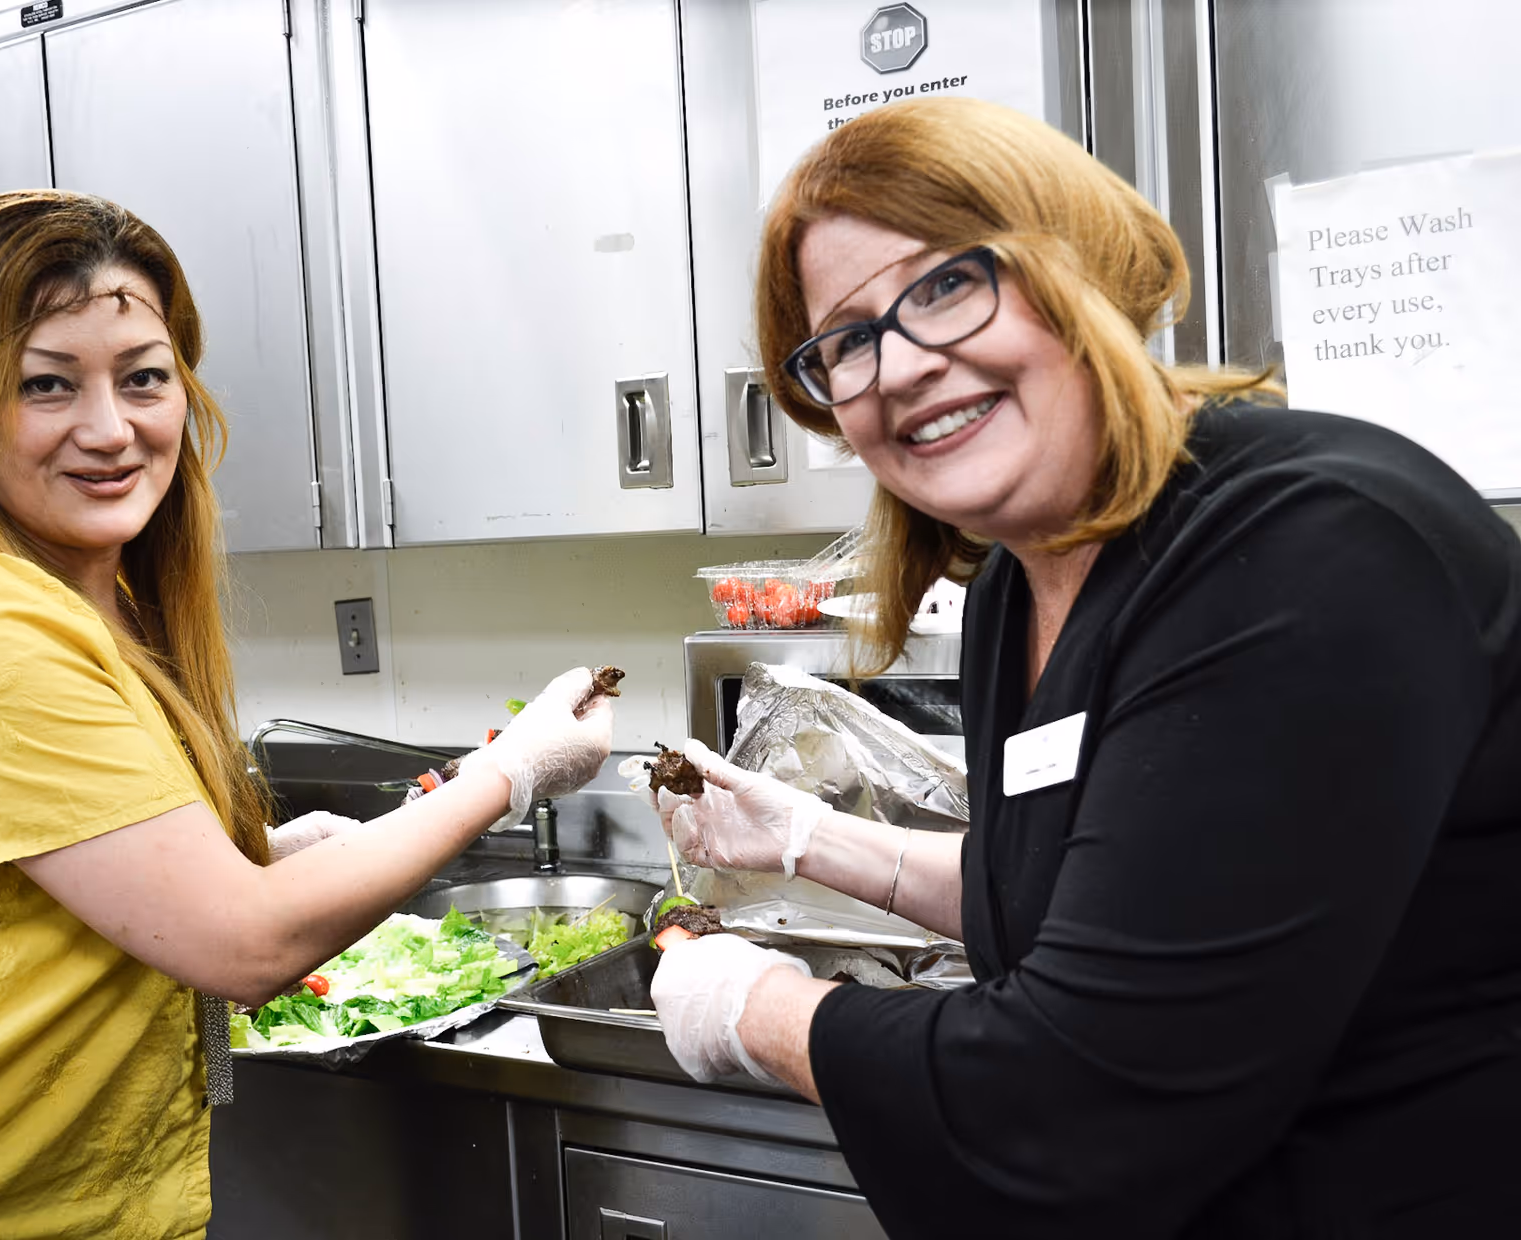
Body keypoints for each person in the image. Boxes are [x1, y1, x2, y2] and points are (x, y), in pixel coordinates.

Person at [647, 98, 1521, 1237]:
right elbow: (1101, 886)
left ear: (1077, 268)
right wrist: (818, 841)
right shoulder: (1030, 575)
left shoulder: (1305, 549)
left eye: (947, 283)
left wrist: (757, 1008)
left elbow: (1080, 1099)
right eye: (847, 340)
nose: (900, 365)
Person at [0, 189, 615, 1239]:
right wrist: (509, 769)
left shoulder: (93, 602)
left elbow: (52, 889)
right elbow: (243, 946)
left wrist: (258, 855)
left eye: (142, 378)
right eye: (47, 385)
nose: (110, 430)